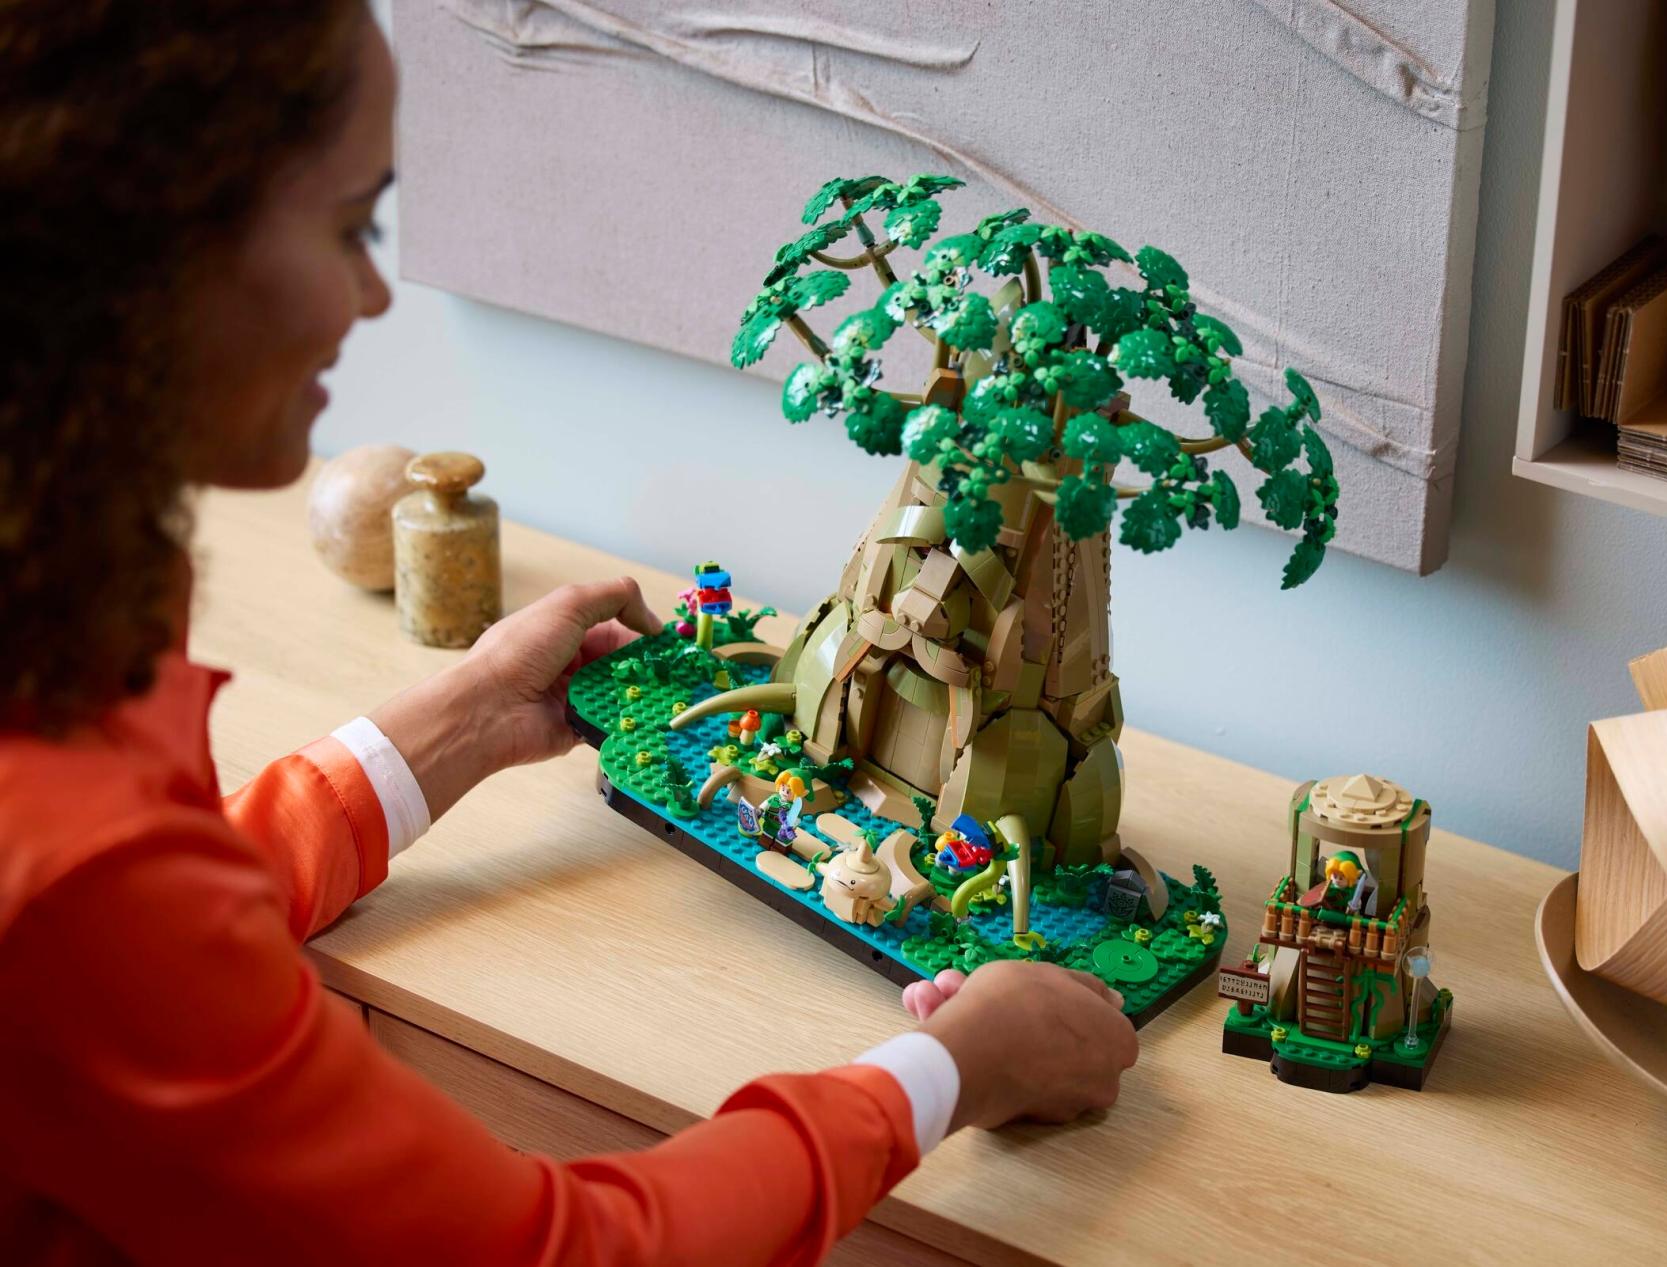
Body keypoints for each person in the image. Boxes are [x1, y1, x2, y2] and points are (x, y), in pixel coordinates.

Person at [0, 4, 1139, 1264]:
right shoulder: (78, 867)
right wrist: (956, 1067)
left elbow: (136, 952)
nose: (374, 295)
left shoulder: (63, 619)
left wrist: (459, 719)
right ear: (154, 246)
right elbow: (567, 1250)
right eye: (352, 226)